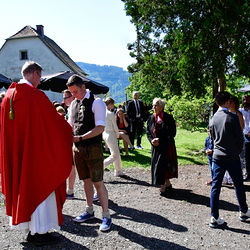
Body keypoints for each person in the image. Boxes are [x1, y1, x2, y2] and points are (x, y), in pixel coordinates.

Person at [0, 61, 72, 246]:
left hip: (18, 154)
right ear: (34, 74)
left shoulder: (8, 96)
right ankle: (39, 231)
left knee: (23, 187)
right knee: (39, 185)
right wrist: (65, 126)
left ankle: (30, 229)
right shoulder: (35, 96)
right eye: (40, 77)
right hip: (35, 155)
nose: (40, 81)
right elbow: (52, 124)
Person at [66, 75, 112, 231]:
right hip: (78, 149)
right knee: (85, 181)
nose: (73, 95)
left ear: (83, 87)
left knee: (98, 182)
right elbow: (69, 126)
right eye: (71, 92)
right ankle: (89, 210)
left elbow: (100, 128)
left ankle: (106, 215)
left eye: (76, 91)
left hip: (93, 147)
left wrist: (79, 138)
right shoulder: (73, 104)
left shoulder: (97, 102)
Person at [209, 91, 250, 228]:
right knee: (238, 184)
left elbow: (212, 138)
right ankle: (243, 211)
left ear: (216, 103)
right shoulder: (232, 117)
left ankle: (214, 216)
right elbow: (240, 139)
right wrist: (237, 151)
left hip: (217, 156)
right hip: (231, 156)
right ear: (228, 102)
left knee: (216, 186)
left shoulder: (213, 118)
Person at [146, 98, 178, 196]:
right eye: (153, 105)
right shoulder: (151, 118)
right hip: (155, 147)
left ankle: (163, 188)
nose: (153, 107)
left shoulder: (168, 118)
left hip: (166, 146)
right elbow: (148, 132)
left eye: (156, 105)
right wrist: (151, 140)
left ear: (161, 106)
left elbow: (172, 133)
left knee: (163, 166)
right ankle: (167, 184)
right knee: (158, 167)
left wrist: (160, 140)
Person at [223, 95, 244, 185]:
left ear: (234, 103)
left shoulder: (238, 114)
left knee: (237, 159)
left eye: (230, 102)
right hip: (227, 140)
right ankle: (225, 177)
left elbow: (241, 128)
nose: (229, 103)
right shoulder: (226, 113)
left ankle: (234, 178)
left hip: (235, 140)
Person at [103, 98, 125, 176]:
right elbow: (115, 126)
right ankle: (101, 166)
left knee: (116, 152)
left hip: (105, 133)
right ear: (110, 104)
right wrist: (118, 134)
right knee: (114, 155)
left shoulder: (101, 113)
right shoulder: (110, 113)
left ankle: (118, 170)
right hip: (111, 134)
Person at [62, 89, 76, 199]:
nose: (64, 100)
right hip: (74, 140)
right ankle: (70, 190)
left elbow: (71, 126)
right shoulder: (72, 108)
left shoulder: (73, 107)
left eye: (65, 97)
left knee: (72, 166)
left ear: (71, 97)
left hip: (74, 140)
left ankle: (70, 190)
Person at [239, 94, 250, 181]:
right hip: (245, 136)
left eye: (247, 100)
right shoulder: (240, 112)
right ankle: (247, 173)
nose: (245, 102)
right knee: (246, 155)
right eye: (244, 100)